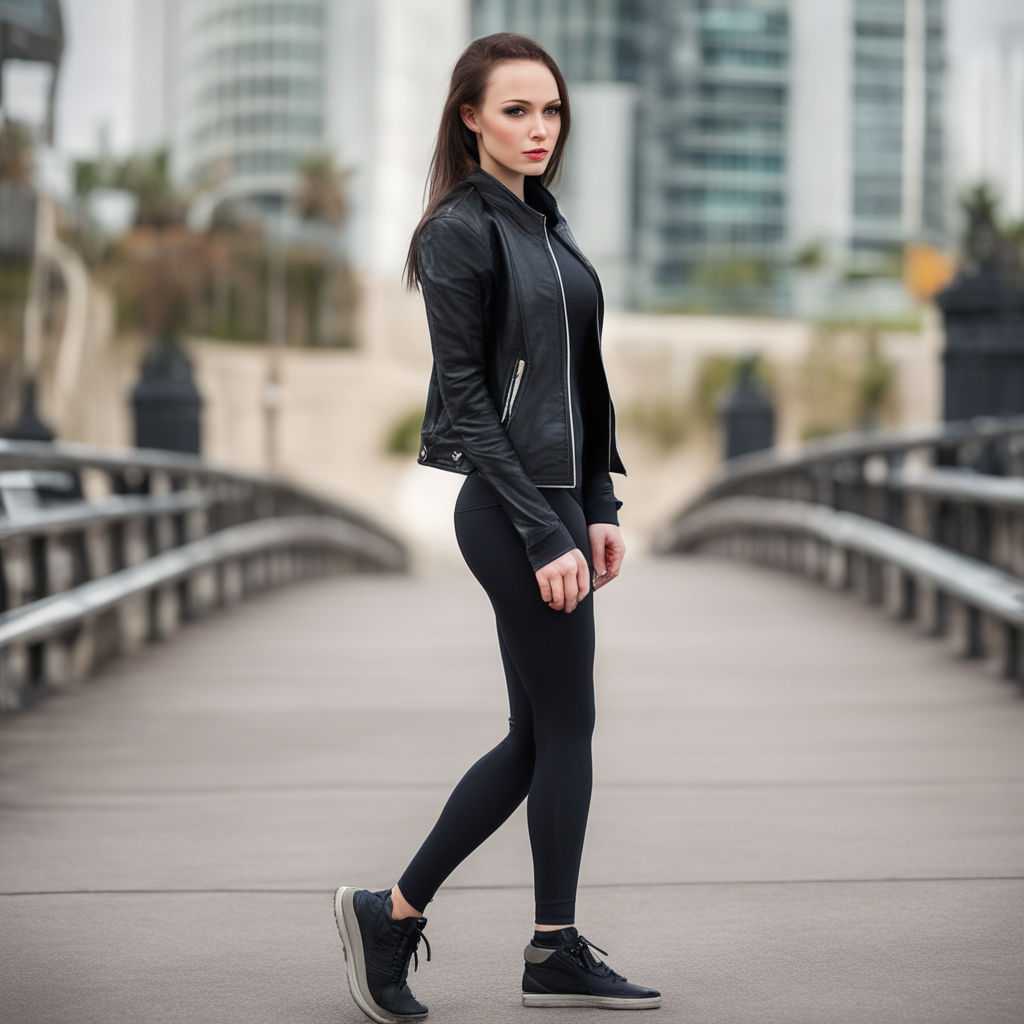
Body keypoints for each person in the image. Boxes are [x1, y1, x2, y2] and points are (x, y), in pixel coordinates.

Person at [333, 32, 661, 1021]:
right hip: (507, 503)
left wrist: (598, 507)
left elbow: (585, 386)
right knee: (562, 728)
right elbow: (468, 401)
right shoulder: (459, 232)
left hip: (561, 500)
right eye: (516, 110)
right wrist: (543, 531)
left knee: (542, 731)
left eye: (551, 111)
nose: (538, 129)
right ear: (468, 116)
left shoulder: (549, 229)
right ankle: (544, 944)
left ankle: (394, 913)